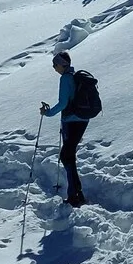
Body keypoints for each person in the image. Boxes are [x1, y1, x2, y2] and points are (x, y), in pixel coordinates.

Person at [40, 51, 89, 207]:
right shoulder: (74, 77)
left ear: (62, 64)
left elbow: (63, 103)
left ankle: (75, 196)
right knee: (69, 156)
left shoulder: (66, 79)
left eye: (55, 65)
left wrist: (47, 113)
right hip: (81, 120)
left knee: (66, 156)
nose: (54, 68)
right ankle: (77, 193)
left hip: (71, 121)